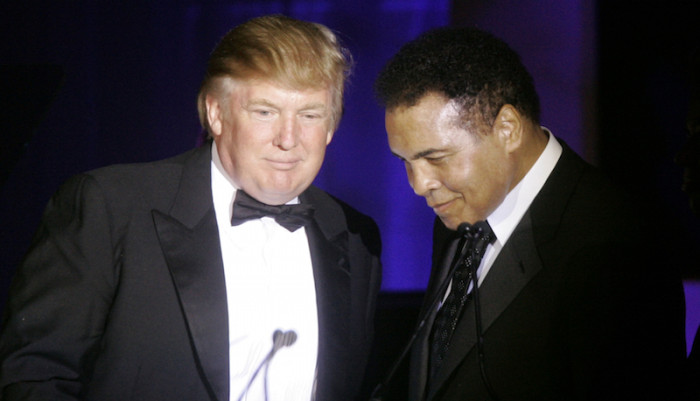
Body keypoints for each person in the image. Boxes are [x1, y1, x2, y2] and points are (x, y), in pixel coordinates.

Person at [0, 15, 381, 401]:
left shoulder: (353, 235)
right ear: (216, 114)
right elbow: (34, 375)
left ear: (331, 127)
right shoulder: (110, 206)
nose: (288, 139)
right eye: (265, 112)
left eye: (310, 115)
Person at [374, 26, 686, 401]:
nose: (418, 184)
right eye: (405, 162)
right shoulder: (460, 212)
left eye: (435, 158)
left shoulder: (614, 247)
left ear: (507, 128)